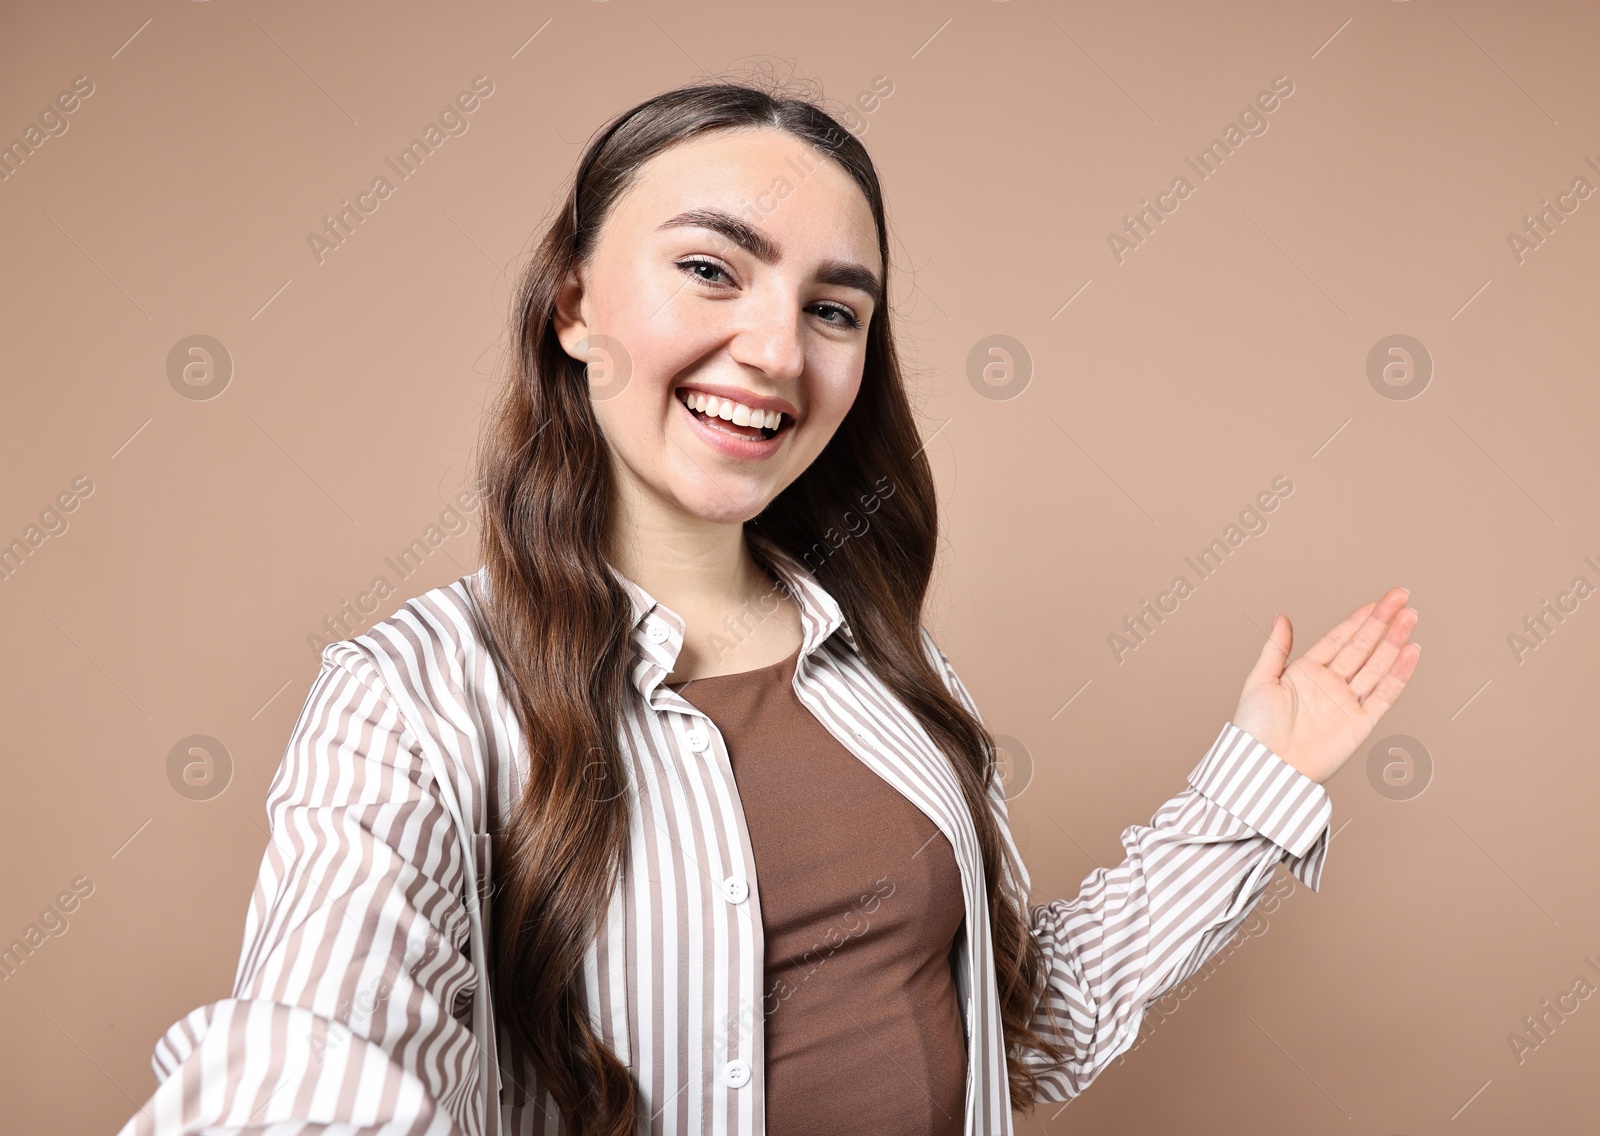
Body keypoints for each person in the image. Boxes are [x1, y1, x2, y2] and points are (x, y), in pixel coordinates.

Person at [117, 77, 1419, 1136]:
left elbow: (1033, 1027)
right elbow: (319, 1051)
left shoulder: (902, 679)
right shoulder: (413, 700)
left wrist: (1256, 785)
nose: (779, 350)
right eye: (711, 270)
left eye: (833, 308)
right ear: (573, 306)